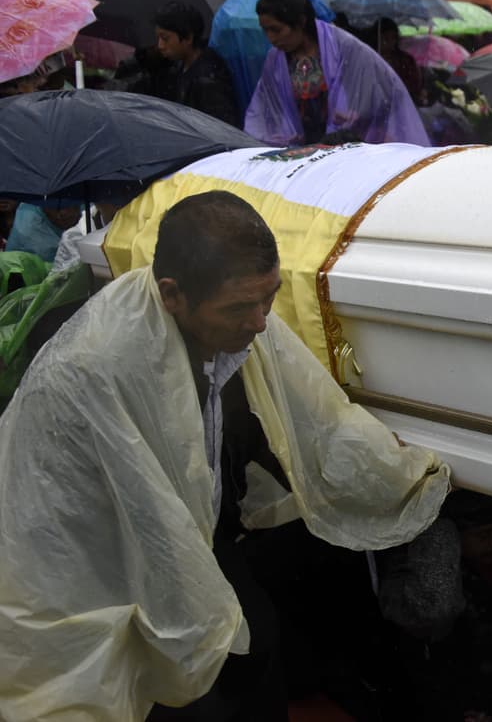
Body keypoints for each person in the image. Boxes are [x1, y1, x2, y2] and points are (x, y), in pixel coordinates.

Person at [0, 191, 451, 720]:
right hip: (93, 564)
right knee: (185, 680)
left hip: (193, 526)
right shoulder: (99, 367)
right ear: (172, 295)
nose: (261, 322)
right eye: (241, 308)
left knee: (257, 643)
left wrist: (397, 470)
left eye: (270, 298)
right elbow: (139, 524)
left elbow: (318, 413)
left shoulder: (233, 315)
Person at [245, 0, 429, 147]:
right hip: (300, 154)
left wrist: (354, 116)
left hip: (346, 149)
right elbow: (265, 111)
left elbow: (383, 93)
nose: (271, 38)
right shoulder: (275, 59)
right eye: (265, 31)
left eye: (276, 30)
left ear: (300, 21)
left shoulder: (344, 48)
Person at [209, 0, 336, 121]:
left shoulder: (228, 11)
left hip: (244, 101)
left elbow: (216, 50)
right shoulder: (301, 5)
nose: (271, 39)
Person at [153, 1, 239, 127]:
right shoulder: (178, 66)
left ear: (188, 38)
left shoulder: (209, 80)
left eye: (165, 39)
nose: (160, 46)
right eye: (158, 38)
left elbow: (221, 128)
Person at [5, 201, 81, 262]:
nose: (62, 213)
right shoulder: (28, 221)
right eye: (54, 206)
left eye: (70, 205)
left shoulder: (85, 215)